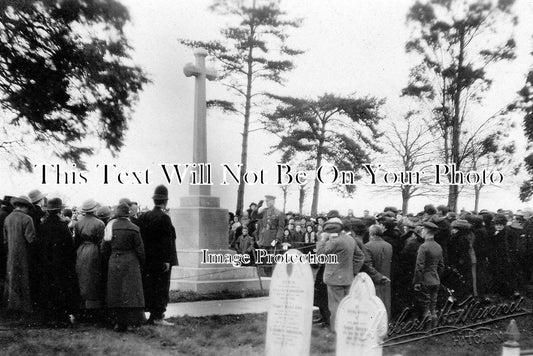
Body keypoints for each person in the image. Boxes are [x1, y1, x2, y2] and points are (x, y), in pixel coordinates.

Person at [138, 185, 178, 326]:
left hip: (148, 259)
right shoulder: (164, 217)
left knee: (150, 286)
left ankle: (151, 316)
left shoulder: (145, 216)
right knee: (161, 287)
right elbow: (167, 241)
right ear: (165, 201)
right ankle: (158, 316)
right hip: (161, 260)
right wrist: (167, 260)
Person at [101, 203, 145, 332]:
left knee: (116, 292)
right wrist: (141, 263)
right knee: (131, 292)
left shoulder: (110, 227)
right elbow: (140, 250)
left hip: (114, 260)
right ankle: (132, 322)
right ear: (128, 214)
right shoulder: (134, 228)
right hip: (131, 261)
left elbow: (104, 249)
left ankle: (119, 323)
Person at [39, 198, 79, 326]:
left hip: (46, 262)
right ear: (59, 210)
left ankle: (48, 317)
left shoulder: (43, 224)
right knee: (61, 289)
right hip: (61, 262)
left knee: (48, 289)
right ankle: (61, 317)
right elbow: (69, 245)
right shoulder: (62, 225)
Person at [316, 217, 355, 332]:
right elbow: (359, 257)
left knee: (335, 307)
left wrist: (322, 239)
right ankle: (347, 328)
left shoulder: (335, 242)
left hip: (334, 279)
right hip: (348, 278)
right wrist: (352, 271)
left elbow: (320, 254)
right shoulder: (350, 239)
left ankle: (336, 332)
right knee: (346, 305)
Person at [3, 195, 35, 315]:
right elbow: (30, 239)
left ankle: (12, 306)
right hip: (24, 254)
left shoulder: (8, 218)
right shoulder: (27, 219)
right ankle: (24, 308)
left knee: (12, 279)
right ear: (25, 206)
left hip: (11, 254)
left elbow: (5, 239)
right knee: (24, 279)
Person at [75, 199, 105, 321]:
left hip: (81, 250)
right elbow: (101, 242)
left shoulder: (78, 223)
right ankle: (93, 310)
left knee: (82, 278)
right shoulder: (100, 223)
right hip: (94, 251)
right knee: (93, 279)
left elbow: (76, 240)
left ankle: (82, 309)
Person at [413, 222, 444, 325]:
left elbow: (419, 266)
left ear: (426, 231)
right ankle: (434, 327)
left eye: (423, 230)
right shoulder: (438, 246)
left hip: (425, 280)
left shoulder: (423, 247)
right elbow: (441, 266)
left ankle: (426, 328)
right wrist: (437, 276)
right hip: (435, 279)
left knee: (425, 305)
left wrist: (417, 281)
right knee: (433, 305)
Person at [365, 224, 393, 318]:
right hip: (386, 280)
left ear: (371, 233)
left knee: (374, 306)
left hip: (374, 281)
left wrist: (379, 277)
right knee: (385, 305)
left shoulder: (367, 246)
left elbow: (368, 266)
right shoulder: (389, 246)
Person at [257, 195, 285, 276]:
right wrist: (259, 206)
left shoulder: (279, 213)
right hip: (264, 237)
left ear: (273, 201)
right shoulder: (264, 211)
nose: (267, 203)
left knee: (273, 258)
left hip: (273, 238)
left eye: (268, 201)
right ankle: (267, 274)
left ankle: (274, 275)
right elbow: (253, 215)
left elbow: (281, 228)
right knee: (265, 257)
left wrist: (277, 238)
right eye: (266, 201)